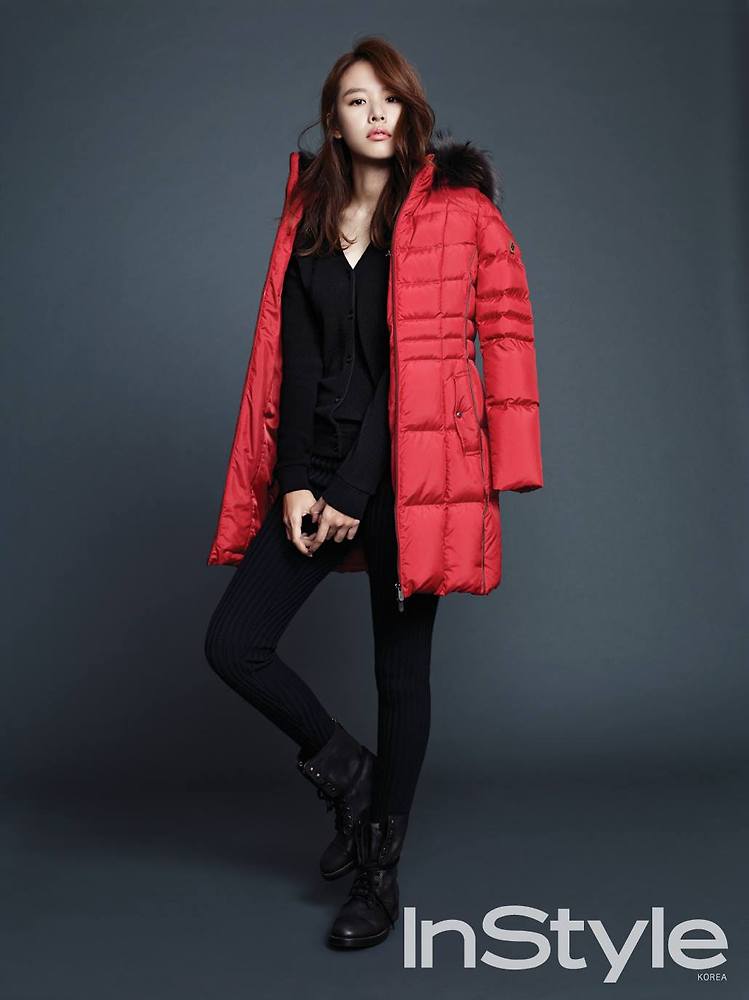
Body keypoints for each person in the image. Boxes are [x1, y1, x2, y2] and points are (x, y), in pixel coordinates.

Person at [204, 35, 544, 951]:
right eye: (357, 100)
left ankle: (378, 871)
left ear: (409, 109)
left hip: (413, 477)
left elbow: (436, 361)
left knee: (401, 674)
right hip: (318, 470)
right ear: (334, 119)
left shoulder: (450, 213)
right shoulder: (309, 213)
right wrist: (294, 481)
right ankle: (349, 775)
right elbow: (292, 357)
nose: (376, 113)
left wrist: (358, 485)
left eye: (388, 97)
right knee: (234, 643)